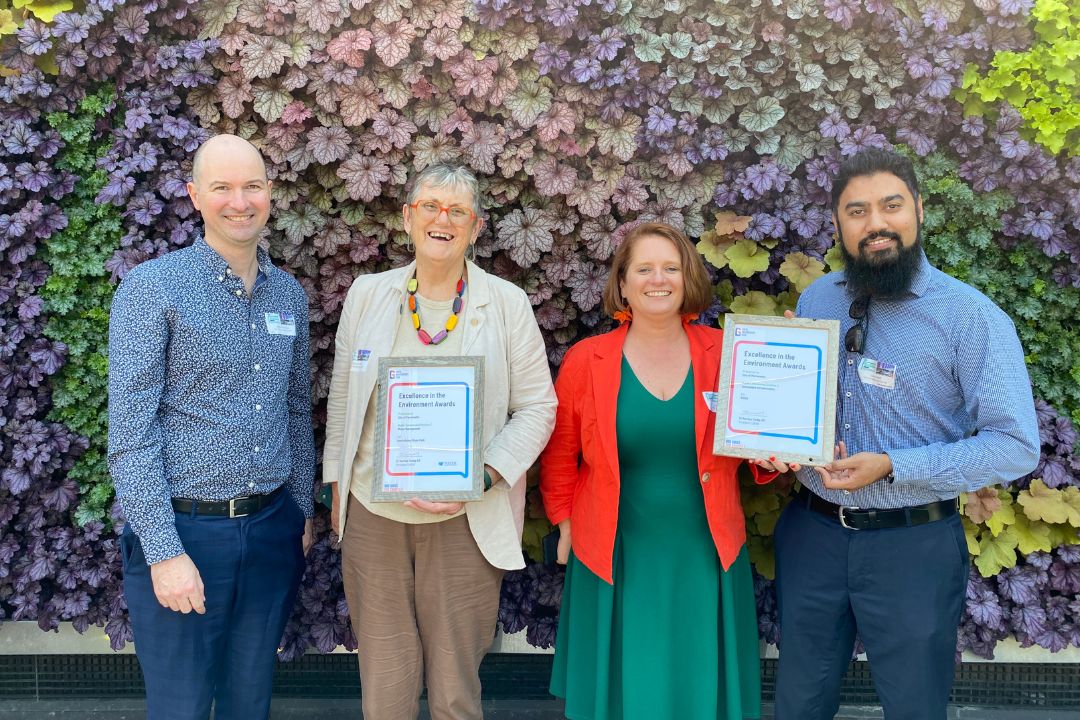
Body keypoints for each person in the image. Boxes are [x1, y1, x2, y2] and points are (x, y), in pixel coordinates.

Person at [774, 148, 1040, 719]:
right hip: (812, 535)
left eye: (891, 206)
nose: (876, 224)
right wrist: (780, 436)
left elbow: (1015, 443)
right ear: (839, 224)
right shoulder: (818, 299)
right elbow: (799, 411)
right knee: (798, 701)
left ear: (918, 209)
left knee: (914, 705)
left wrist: (895, 464)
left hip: (911, 547)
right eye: (857, 211)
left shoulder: (971, 318)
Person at [322, 162, 557, 720]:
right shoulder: (367, 294)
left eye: (457, 211)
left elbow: (539, 408)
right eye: (430, 206)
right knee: (385, 686)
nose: (442, 219)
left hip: (465, 519)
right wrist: (338, 499)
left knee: (455, 689)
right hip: (375, 520)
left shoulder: (505, 303)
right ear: (408, 218)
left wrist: (483, 475)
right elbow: (341, 402)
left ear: (475, 228)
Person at [107, 134, 315, 720]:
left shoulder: (288, 296)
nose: (238, 201)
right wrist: (163, 551)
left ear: (270, 193)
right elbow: (131, 431)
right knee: (182, 708)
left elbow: (295, 408)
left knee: (251, 703)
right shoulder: (153, 289)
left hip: (273, 531)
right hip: (186, 535)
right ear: (195, 195)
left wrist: (300, 511)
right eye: (221, 187)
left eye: (251, 186)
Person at [540, 222, 784, 720]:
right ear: (623, 283)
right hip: (614, 549)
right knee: (623, 691)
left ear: (687, 278)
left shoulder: (728, 353)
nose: (659, 279)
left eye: (671, 268)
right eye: (644, 268)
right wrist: (565, 522)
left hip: (706, 547)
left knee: (700, 689)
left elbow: (759, 438)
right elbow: (561, 453)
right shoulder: (587, 361)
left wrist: (770, 459)